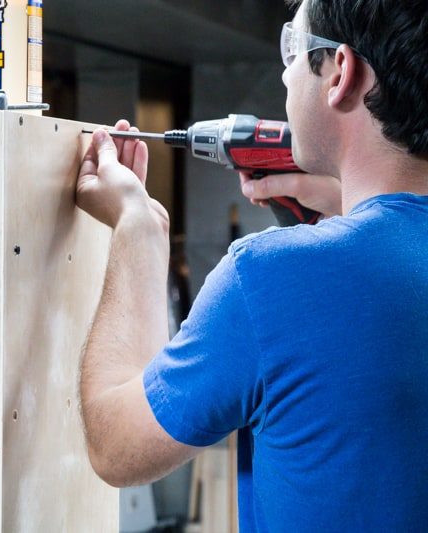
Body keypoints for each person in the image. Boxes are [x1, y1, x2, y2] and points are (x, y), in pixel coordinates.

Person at [75, 0, 428, 530]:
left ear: (341, 73)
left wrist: (138, 229)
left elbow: (116, 444)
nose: (286, 75)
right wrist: (348, 202)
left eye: (293, 49)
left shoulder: (272, 279)